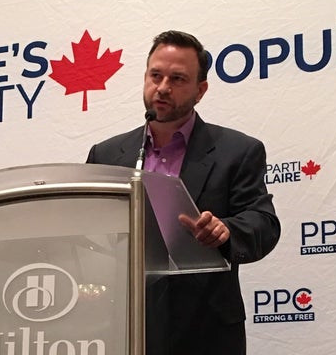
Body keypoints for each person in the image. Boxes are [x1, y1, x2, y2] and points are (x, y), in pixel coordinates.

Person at [86, 30, 281, 355]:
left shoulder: (237, 151)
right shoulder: (106, 155)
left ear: (200, 90)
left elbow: (263, 223)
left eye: (177, 79)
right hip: (123, 324)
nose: (162, 88)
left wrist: (225, 231)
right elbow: (89, 229)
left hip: (205, 329)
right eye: (155, 75)